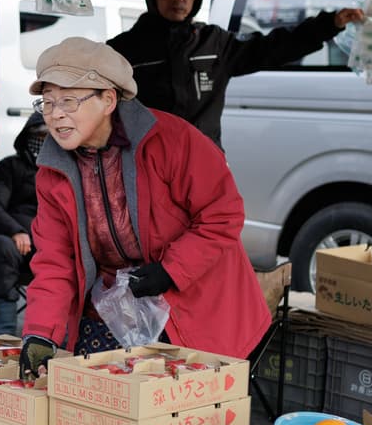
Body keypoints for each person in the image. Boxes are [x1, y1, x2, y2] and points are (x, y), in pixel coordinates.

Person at [18, 37, 270, 380]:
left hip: (195, 300)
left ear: (108, 100)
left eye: (69, 101)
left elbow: (222, 215)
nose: (55, 114)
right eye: (47, 103)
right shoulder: (53, 171)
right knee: (99, 398)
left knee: (183, 405)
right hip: (118, 308)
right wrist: (40, 332)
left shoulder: (174, 141)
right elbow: (55, 260)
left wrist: (170, 270)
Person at [107, 0, 364, 148]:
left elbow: (273, 47)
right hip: (147, 165)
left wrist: (329, 25)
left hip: (204, 165)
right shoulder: (123, 50)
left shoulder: (214, 43)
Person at [0, 113, 46, 335]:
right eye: (39, 135)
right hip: (17, 241)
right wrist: (15, 231)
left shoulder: (68, 171)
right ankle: (3, 333)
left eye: (50, 136)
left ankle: (58, 332)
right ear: (27, 137)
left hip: (53, 244)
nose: (43, 141)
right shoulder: (9, 166)